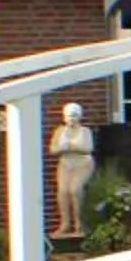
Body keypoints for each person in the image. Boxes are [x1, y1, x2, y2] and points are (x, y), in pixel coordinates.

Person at [49, 102, 96, 238]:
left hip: (83, 164)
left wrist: (71, 146)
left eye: (74, 115)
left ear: (80, 116)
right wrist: (63, 148)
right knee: (63, 192)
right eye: (69, 116)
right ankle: (65, 224)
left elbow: (88, 148)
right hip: (65, 164)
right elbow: (53, 149)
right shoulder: (60, 131)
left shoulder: (85, 131)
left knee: (75, 189)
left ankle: (79, 223)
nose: (71, 118)